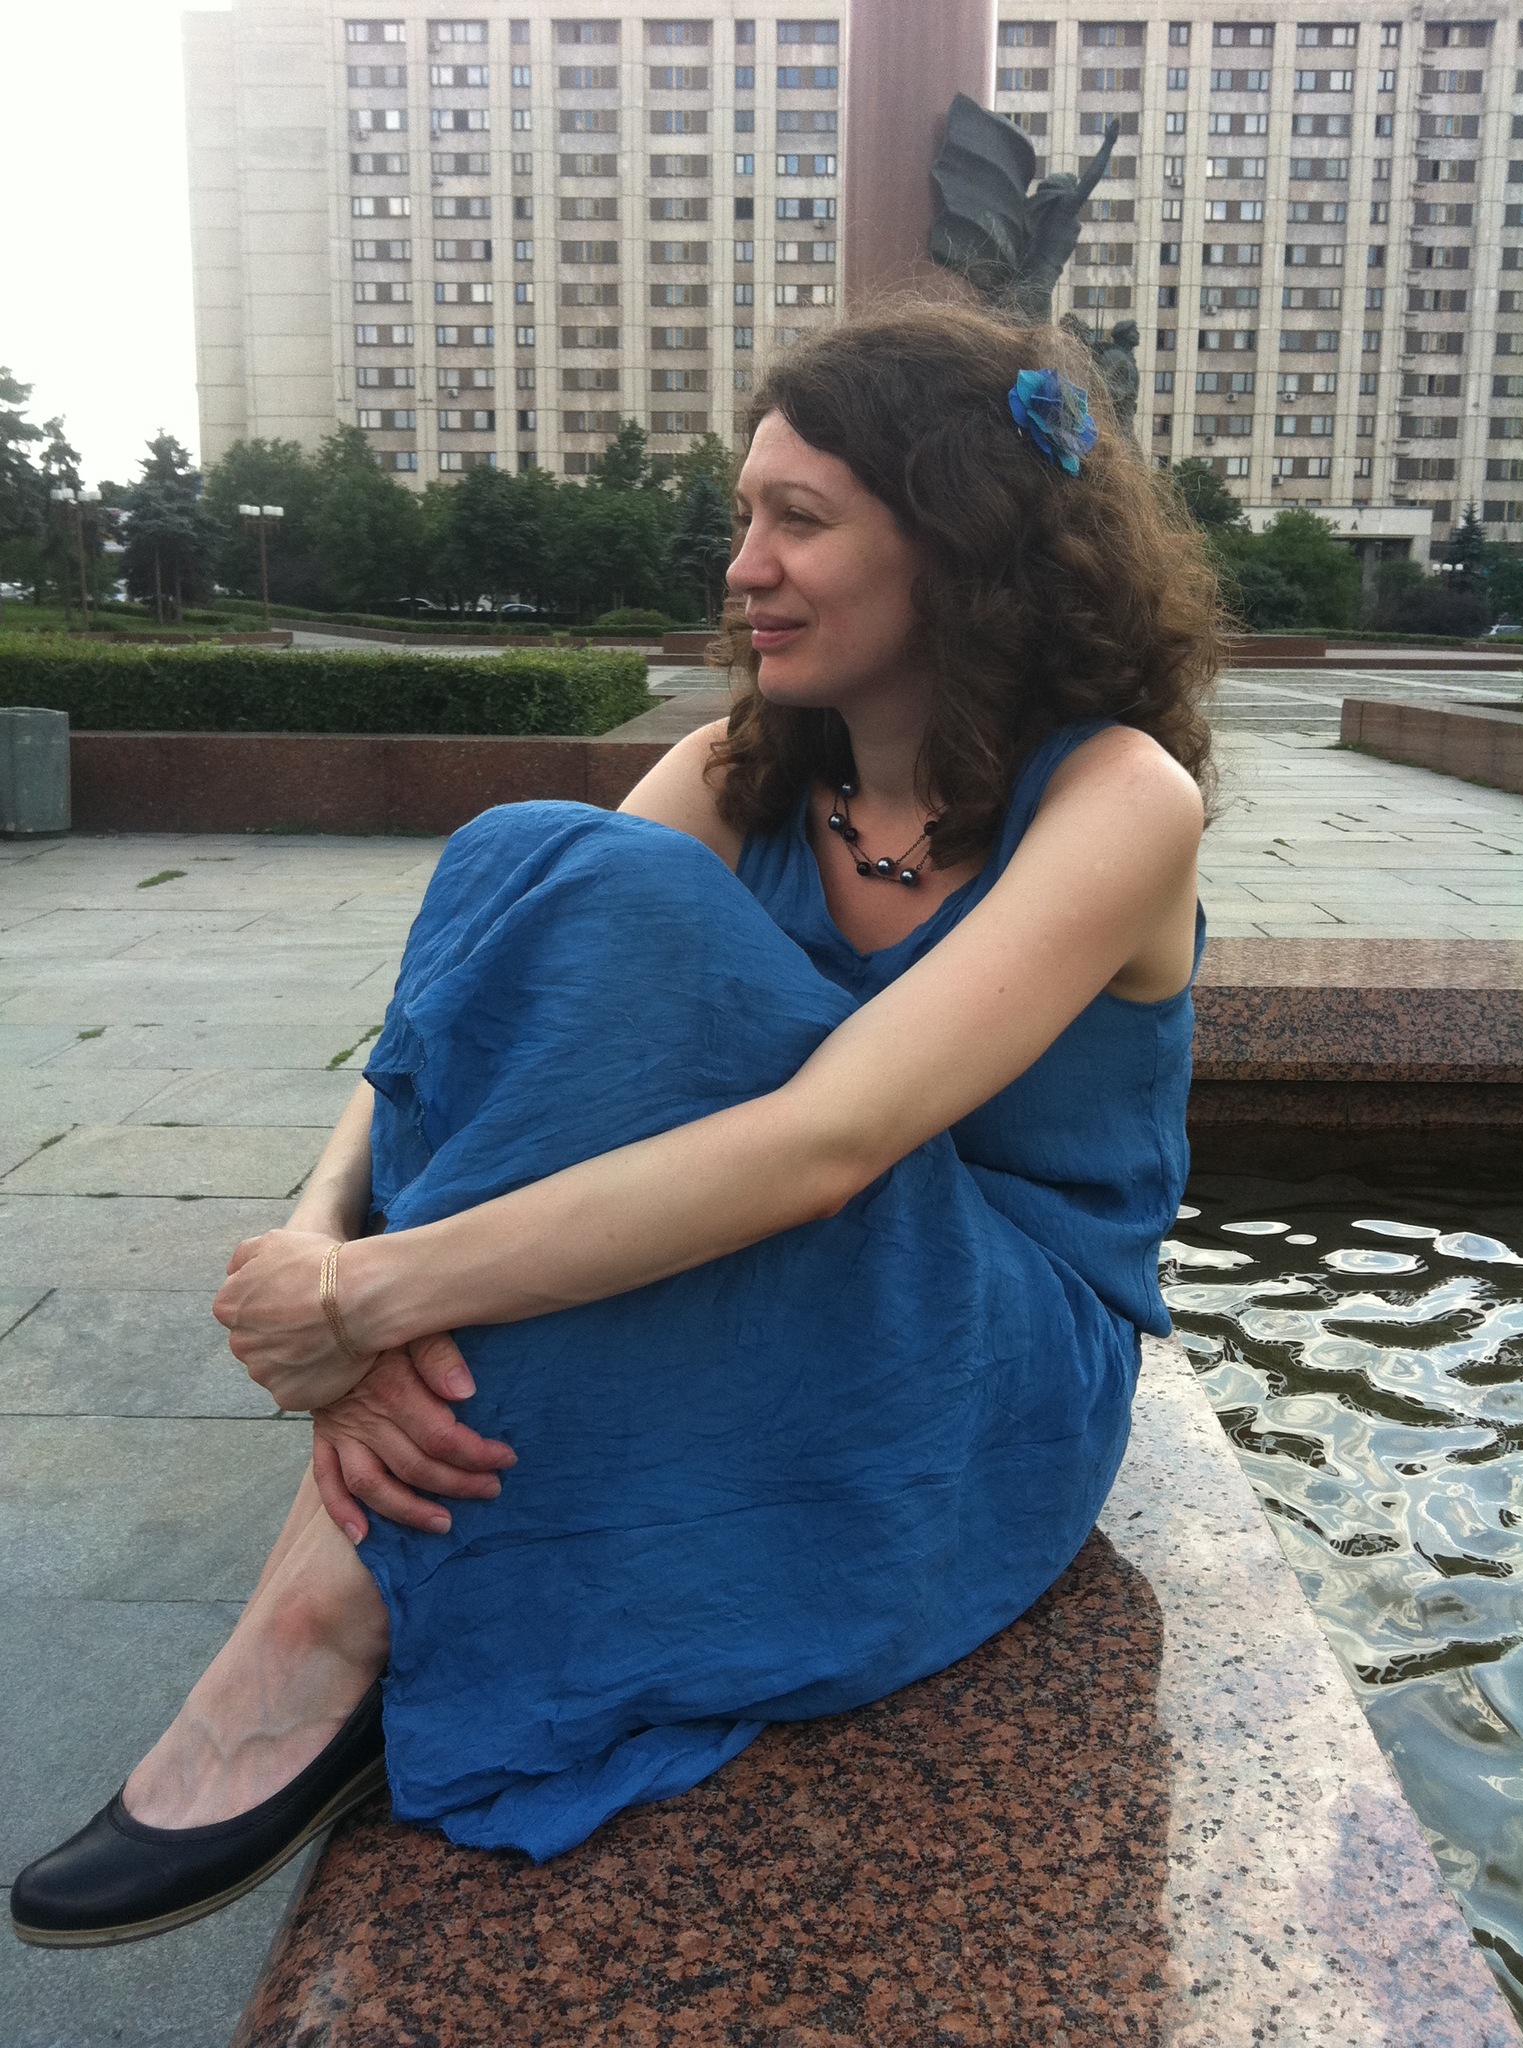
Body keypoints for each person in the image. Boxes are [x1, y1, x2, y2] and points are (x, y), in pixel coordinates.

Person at [12, 303, 1219, 1947]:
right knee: (543, 863)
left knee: (617, 915)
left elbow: (827, 1145)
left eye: (799, 519)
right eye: (743, 515)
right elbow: (481, 1009)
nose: (742, 567)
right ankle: (332, 1594)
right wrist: (316, 1239)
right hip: (780, 1274)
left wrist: (373, 1302)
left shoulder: (1120, 796)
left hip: (989, 1359)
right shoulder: (743, 768)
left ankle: (324, 1624)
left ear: (961, 550)